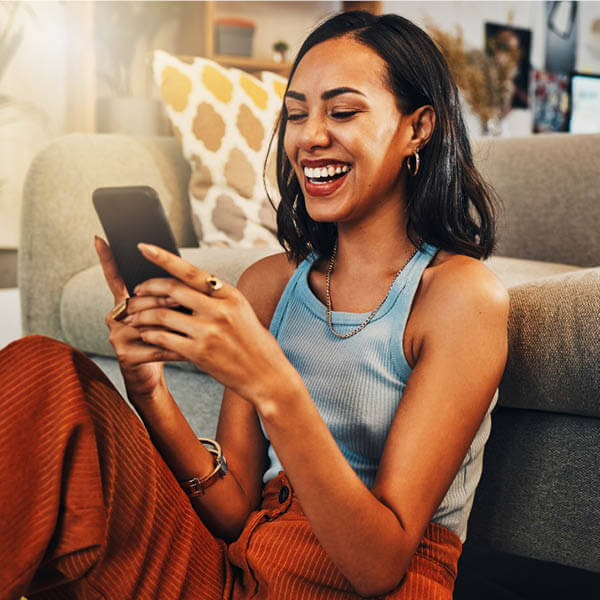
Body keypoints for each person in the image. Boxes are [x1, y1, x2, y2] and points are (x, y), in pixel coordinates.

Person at [0, 10, 509, 600]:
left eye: (342, 112)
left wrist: (272, 381)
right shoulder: (271, 284)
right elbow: (231, 509)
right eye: (296, 114)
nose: (309, 136)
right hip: (234, 576)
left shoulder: (459, 297)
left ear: (417, 128)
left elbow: (378, 566)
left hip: (355, 587)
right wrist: (150, 393)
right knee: (44, 371)